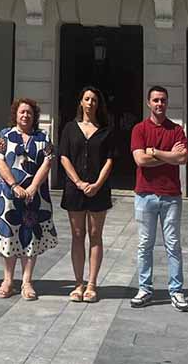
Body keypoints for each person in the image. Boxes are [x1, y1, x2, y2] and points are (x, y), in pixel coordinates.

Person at [0, 97, 58, 300]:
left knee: (31, 236)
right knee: (9, 234)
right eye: (22, 112)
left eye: (29, 112)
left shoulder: (42, 137)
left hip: (35, 197)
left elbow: (48, 162)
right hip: (8, 195)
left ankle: (27, 281)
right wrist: (14, 185)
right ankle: (8, 280)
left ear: (34, 116)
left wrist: (33, 187)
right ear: (15, 114)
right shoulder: (5, 135)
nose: (25, 115)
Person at [130, 85, 188, 311]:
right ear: (148, 103)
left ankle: (177, 290)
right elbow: (140, 161)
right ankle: (145, 288)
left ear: (167, 103)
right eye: (155, 100)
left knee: (173, 244)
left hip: (171, 195)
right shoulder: (139, 129)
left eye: (163, 100)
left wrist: (154, 152)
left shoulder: (176, 130)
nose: (159, 104)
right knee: (145, 244)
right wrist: (169, 157)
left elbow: (182, 158)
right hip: (145, 194)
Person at [58, 86, 115, 303]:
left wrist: (97, 183)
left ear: (98, 105)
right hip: (75, 189)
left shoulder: (106, 130)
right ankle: (78, 283)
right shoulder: (70, 128)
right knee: (78, 234)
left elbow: (110, 159)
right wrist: (79, 182)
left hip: (98, 189)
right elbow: (64, 157)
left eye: (94, 100)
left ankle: (92, 284)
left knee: (95, 234)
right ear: (81, 102)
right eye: (87, 99)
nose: (90, 103)